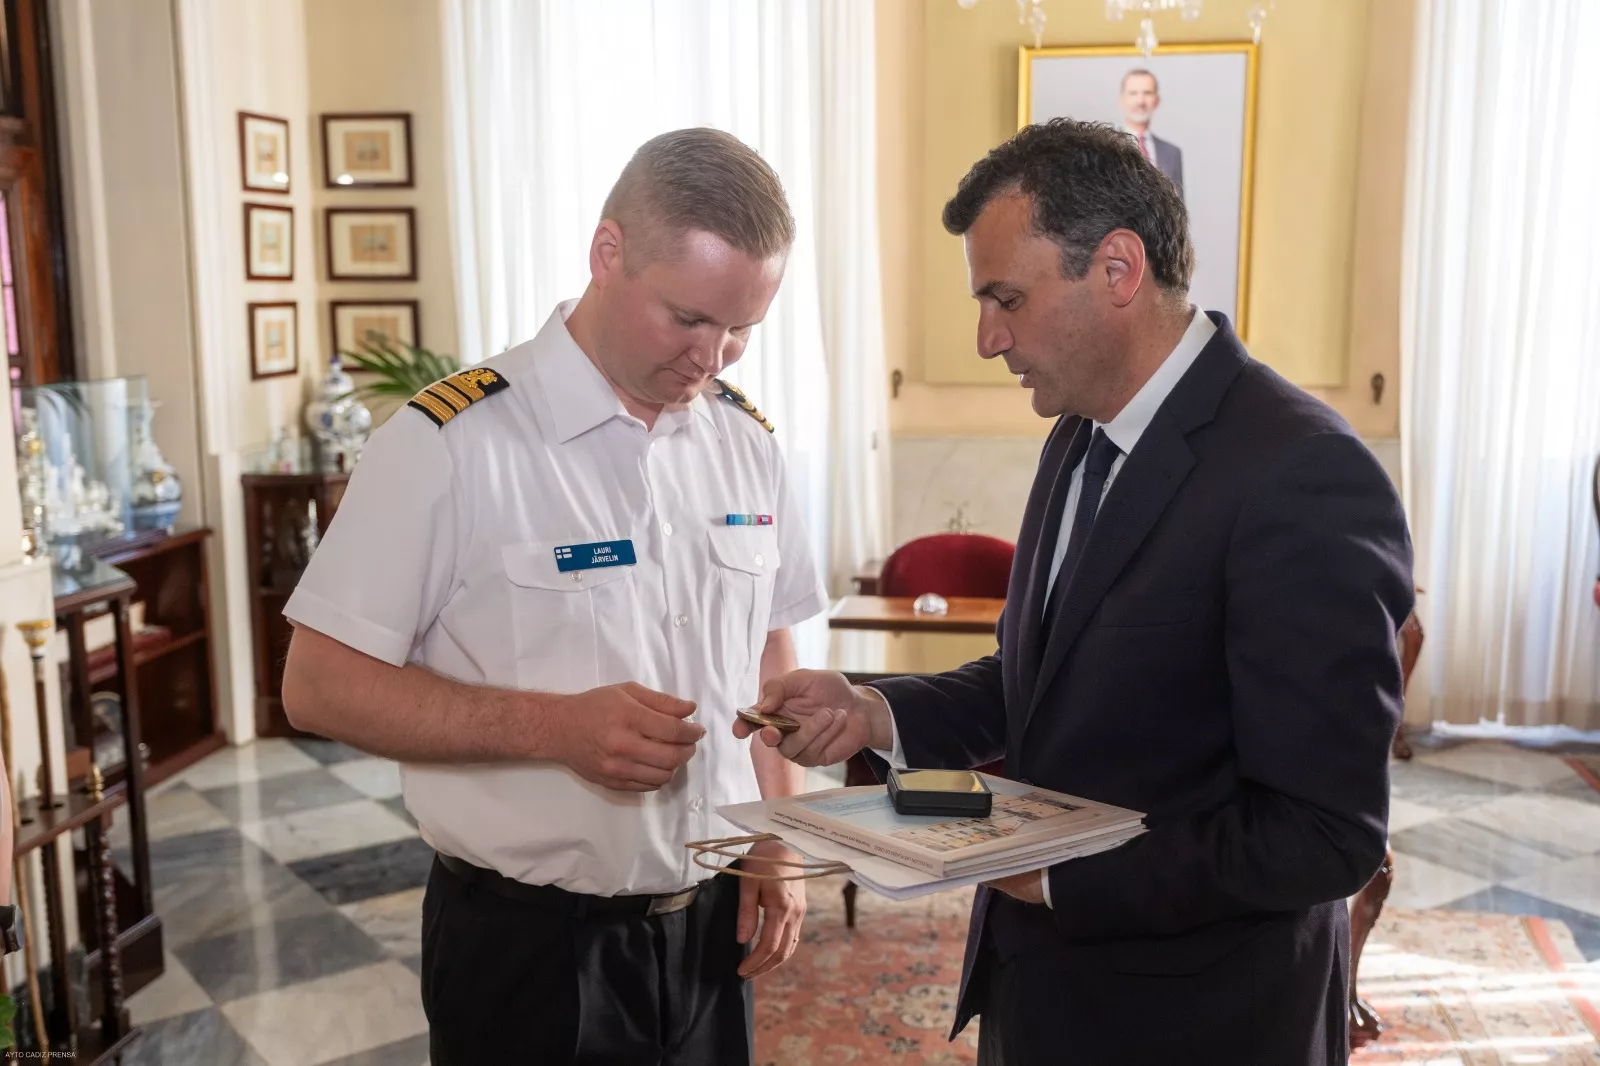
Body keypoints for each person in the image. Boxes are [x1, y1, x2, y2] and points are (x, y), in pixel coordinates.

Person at [737, 118, 1413, 1064]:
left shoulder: (1300, 473)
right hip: (1043, 989)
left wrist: (1054, 877)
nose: (986, 338)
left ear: (1118, 269)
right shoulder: (1080, 432)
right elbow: (1042, 679)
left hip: (1200, 1020)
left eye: (1006, 298)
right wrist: (873, 713)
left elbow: (1324, 835)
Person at [280, 127, 828, 1066]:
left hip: (709, 934)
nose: (713, 357)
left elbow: (769, 649)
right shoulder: (450, 442)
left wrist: (778, 839)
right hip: (528, 949)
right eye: (689, 318)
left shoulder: (746, 441)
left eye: (742, 328)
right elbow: (318, 687)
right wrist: (553, 729)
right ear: (608, 252)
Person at [1119, 68, 1183, 196]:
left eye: (1147, 93)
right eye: (1133, 93)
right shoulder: (1105, 147)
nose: (1140, 101)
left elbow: (1178, 204)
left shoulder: (1172, 153)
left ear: (1157, 100)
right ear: (1122, 100)